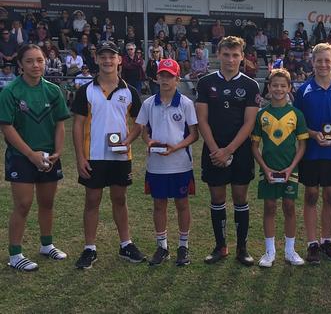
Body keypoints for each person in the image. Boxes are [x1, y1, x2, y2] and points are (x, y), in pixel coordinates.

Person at [71, 41, 145, 269]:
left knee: (119, 199)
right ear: (96, 59)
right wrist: (80, 158)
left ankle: (126, 244)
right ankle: (89, 248)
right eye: (102, 56)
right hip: (93, 156)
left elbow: (139, 123)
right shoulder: (86, 90)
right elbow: (77, 126)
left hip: (120, 156)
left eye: (111, 56)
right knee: (92, 200)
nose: (107, 60)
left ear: (119, 60)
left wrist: (128, 140)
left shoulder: (130, 91)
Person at [0, 44, 70, 271]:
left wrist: (58, 152)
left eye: (39, 60)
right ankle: (15, 254)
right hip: (21, 156)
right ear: (20, 64)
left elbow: (60, 124)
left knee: (47, 203)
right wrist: (30, 154)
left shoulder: (53, 90)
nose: (35, 65)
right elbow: (7, 128)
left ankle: (46, 245)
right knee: (23, 204)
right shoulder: (10, 92)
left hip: (49, 156)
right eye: (29, 61)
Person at [196, 36, 260, 266]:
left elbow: (249, 123)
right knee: (217, 197)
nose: (231, 60)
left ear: (242, 57)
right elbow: (202, 120)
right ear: (218, 55)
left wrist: (229, 150)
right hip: (213, 149)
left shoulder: (250, 85)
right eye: (226, 54)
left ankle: (242, 248)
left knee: (240, 198)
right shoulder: (205, 83)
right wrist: (216, 150)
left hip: (240, 151)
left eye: (235, 55)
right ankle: (220, 246)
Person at [135, 59, 199, 266]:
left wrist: (176, 147)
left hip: (180, 163)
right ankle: (162, 247)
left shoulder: (186, 103)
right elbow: (143, 129)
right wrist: (150, 141)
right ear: (157, 77)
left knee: (182, 203)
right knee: (159, 204)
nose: (165, 79)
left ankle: (183, 246)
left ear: (177, 79)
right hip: (156, 165)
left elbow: (194, 135)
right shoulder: (148, 103)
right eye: (162, 75)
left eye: (170, 76)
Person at [293, 42, 331, 264]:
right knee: (311, 195)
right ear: (312, 62)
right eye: (319, 60)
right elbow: (297, 123)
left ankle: (326, 240)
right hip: (311, 152)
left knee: (330, 195)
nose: (323, 64)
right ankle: (312, 244)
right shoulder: (303, 91)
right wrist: (312, 134)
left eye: (327, 60)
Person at [251, 69, 308, 267]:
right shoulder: (262, 114)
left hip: (290, 170)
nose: (279, 89)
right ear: (268, 87)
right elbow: (254, 147)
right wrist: (265, 168)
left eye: (283, 85)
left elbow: (302, 146)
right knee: (269, 207)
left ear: (289, 88)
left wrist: (291, 167)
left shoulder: (296, 114)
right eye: (275, 85)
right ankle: (269, 252)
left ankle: (290, 251)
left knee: (289, 207)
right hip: (268, 170)